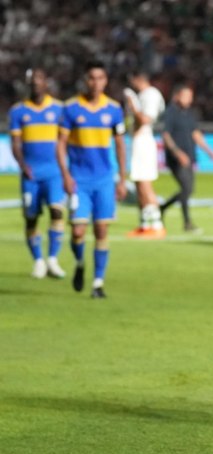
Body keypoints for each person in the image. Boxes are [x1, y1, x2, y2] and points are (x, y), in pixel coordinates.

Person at [57, 60, 128, 299]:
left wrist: (122, 179)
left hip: (104, 180)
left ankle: (98, 283)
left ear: (105, 81)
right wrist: (65, 175)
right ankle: (79, 262)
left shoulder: (114, 109)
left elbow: (120, 145)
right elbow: (61, 144)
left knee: (101, 230)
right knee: (78, 231)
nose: (95, 82)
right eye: (91, 78)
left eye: (100, 78)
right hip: (79, 181)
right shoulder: (71, 108)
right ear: (85, 80)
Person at [9, 68, 66, 279]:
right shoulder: (18, 111)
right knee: (31, 218)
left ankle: (53, 259)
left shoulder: (59, 109)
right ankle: (39, 261)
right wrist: (22, 165)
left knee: (57, 211)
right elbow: (15, 143)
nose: (35, 84)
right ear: (28, 85)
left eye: (39, 80)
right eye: (32, 82)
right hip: (31, 173)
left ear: (46, 83)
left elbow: (65, 140)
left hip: (54, 172)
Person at [160, 85, 213, 232]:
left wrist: (208, 151)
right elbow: (166, 135)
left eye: (190, 96)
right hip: (176, 159)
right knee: (186, 188)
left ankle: (163, 207)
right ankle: (187, 222)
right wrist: (177, 153)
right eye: (187, 96)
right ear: (177, 96)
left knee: (188, 190)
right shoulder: (170, 112)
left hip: (190, 156)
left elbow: (195, 134)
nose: (190, 100)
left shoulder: (189, 113)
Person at [124, 70, 166, 239]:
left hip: (144, 140)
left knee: (145, 182)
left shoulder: (151, 94)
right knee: (138, 182)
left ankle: (157, 225)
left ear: (138, 79)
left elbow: (146, 120)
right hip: (137, 140)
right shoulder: (143, 95)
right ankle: (144, 224)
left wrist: (132, 103)